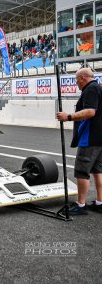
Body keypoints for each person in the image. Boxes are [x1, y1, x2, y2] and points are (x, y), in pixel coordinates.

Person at [57, 68, 102, 215]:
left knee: (82, 171)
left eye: (77, 80)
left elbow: (90, 112)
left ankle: (81, 204)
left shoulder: (90, 89)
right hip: (99, 137)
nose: (76, 83)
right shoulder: (99, 88)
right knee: (98, 170)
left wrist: (68, 116)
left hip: (90, 137)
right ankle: (100, 202)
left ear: (82, 78)